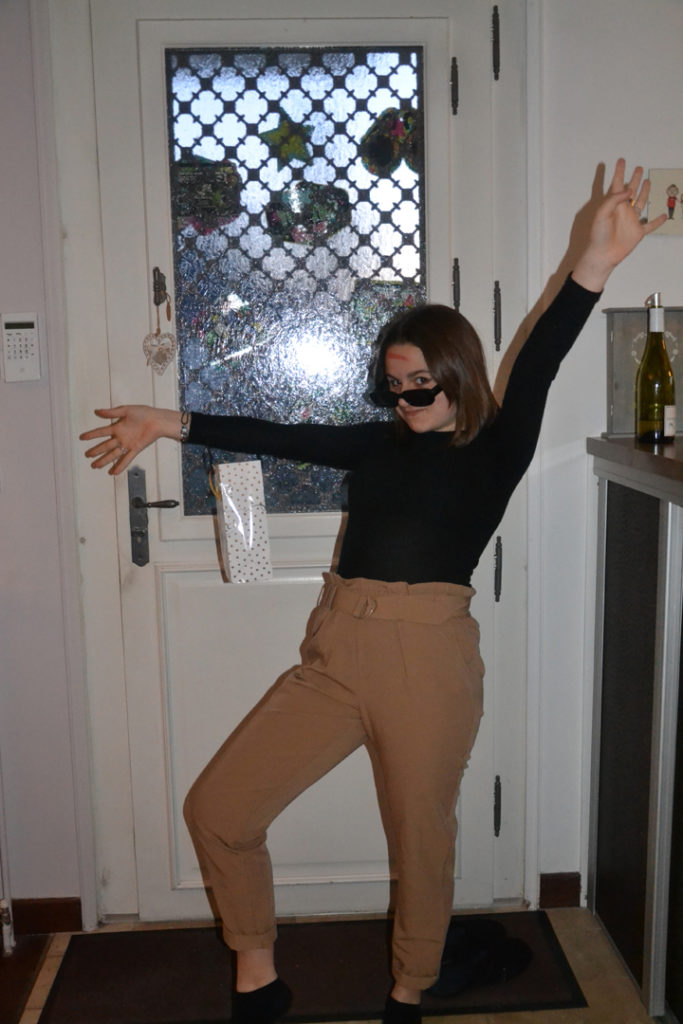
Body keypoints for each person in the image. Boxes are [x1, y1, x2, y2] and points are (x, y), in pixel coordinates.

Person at [81, 160, 665, 1024]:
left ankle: (408, 990)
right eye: (392, 385)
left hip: (426, 658)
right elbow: (273, 435)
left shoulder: (495, 446)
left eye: (420, 380)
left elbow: (540, 354)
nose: (405, 397)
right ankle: (258, 976)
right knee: (220, 808)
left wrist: (593, 263)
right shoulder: (375, 445)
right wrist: (165, 421)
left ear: (456, 373)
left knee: (420, 841)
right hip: (336, 651)